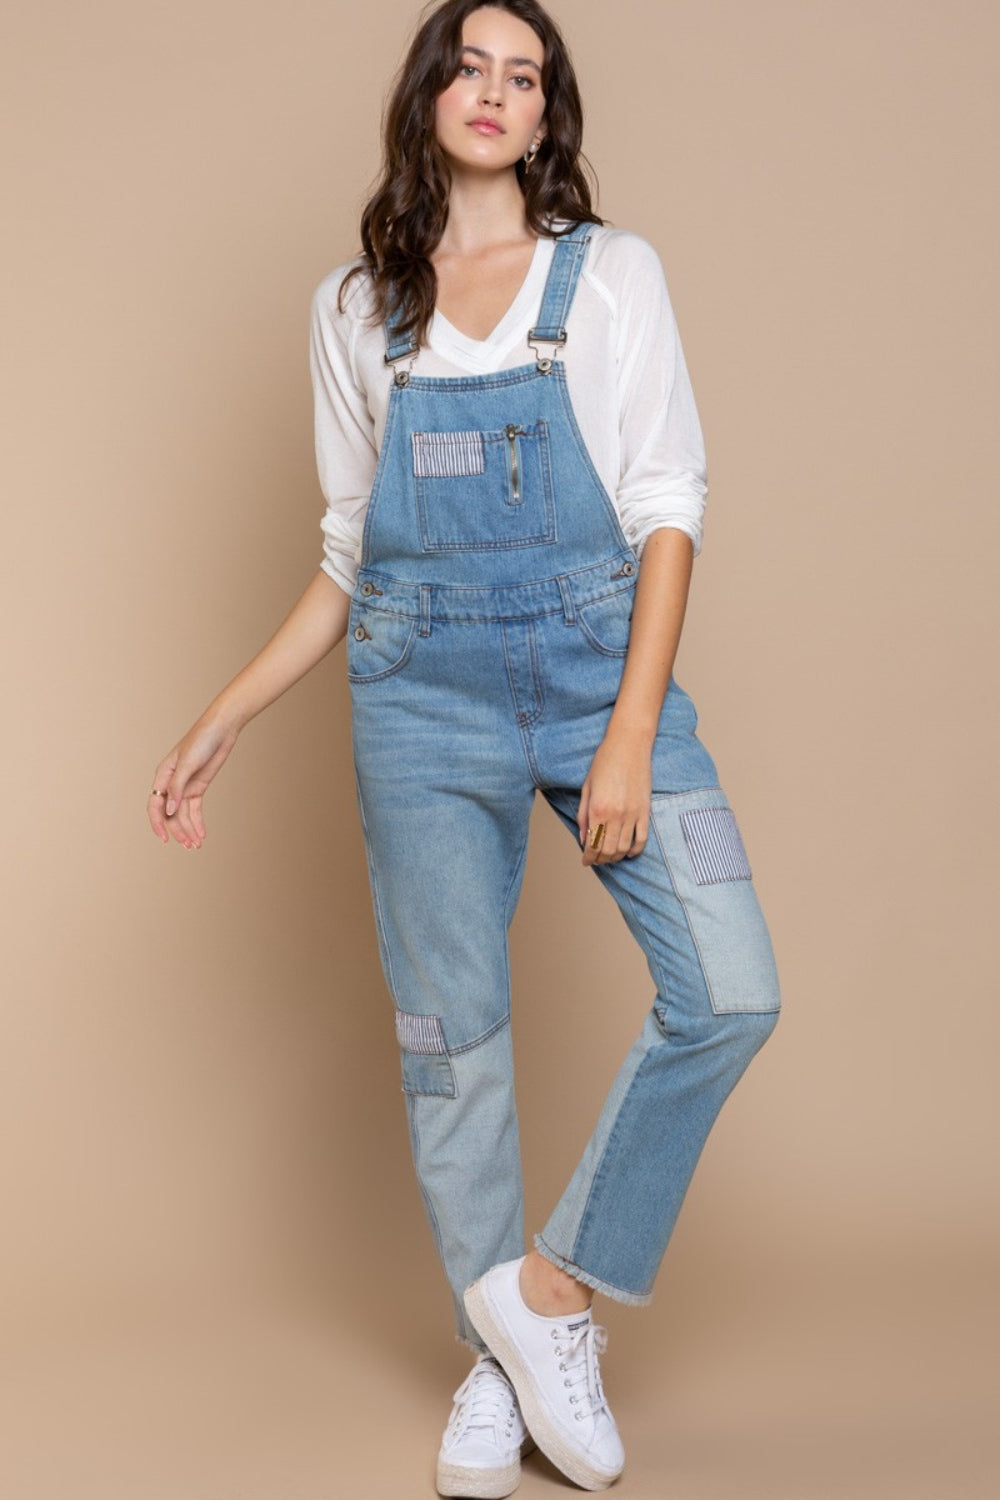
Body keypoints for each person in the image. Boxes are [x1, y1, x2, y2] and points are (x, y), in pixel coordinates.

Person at [147, 1, 782, 1493]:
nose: (495, 94)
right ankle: (493, 1369)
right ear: (429, 92)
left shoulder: (612, 275)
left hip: (593, 677)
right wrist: (220, 717)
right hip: (415, 699)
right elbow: (348, 556)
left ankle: (546, 1301)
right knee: (455, 1047)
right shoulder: (354, 308)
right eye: (472, 67)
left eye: (526, 76)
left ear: (547, 114)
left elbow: (671, 506)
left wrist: (628, 733)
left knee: (732, 992)